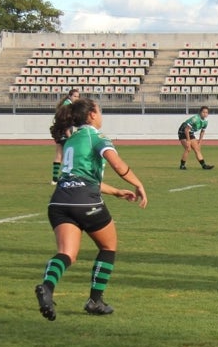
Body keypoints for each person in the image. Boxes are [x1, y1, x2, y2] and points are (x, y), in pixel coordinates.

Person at [35, 98, 147, 321]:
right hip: (85, 202)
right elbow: (117, 164)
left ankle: (47, 287)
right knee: (108, 246)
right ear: (93, 114)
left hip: (59, 202)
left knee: (67, 253)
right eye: (100, 111)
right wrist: (138, 183)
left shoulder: (72, 140)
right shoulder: (97, 137)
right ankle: (95, 300)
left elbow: (80, 178)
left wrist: (116, 191)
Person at [51, 88, 80, 184]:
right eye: (75, 96)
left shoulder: (65, 105)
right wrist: (69, 136)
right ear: (70, 96)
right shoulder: (68, 106)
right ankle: (67, 176)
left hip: (59, 132)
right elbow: (66, 124)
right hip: (64, 133)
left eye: (78, 96)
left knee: (59, 155)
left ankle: (55, 179)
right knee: (71, 155)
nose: (77, 98)